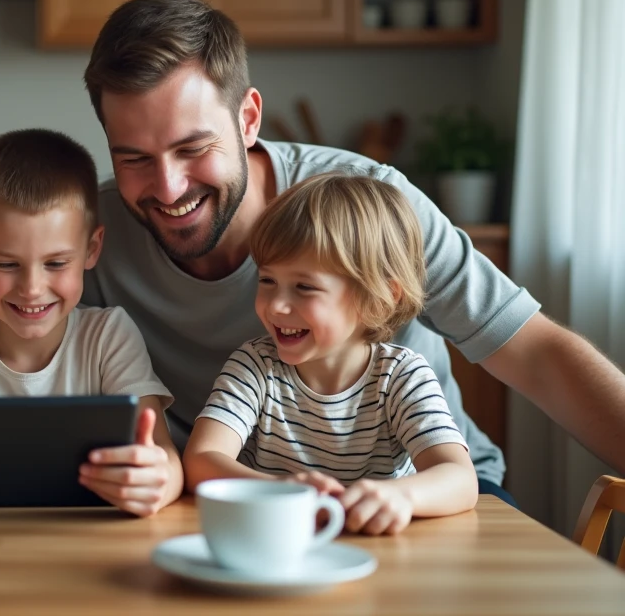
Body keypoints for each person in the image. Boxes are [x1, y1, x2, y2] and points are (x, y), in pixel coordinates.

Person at [81, 0, 625, 500]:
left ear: (247, 119)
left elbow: (535, 354)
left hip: (426, 491)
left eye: (193, 148)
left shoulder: (371, 205)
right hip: (236, 499)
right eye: (133, 158)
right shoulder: (88, 235)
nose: (169, 187)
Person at [0, 129, 183, 516]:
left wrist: (158, 482)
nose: (31, 288)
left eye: (56, 263)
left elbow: (166, 458)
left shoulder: (109, 336)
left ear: (92, 249)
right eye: (8, 264)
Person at [183, 174, 478, 534]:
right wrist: (277, 492)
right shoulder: (255, 366)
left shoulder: (401, 376)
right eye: (267, 281)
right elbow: (201, 461)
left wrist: (402, 497)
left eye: (304, 287)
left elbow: (461, 479)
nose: (276, 305)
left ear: (379, 297)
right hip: (275, 541)